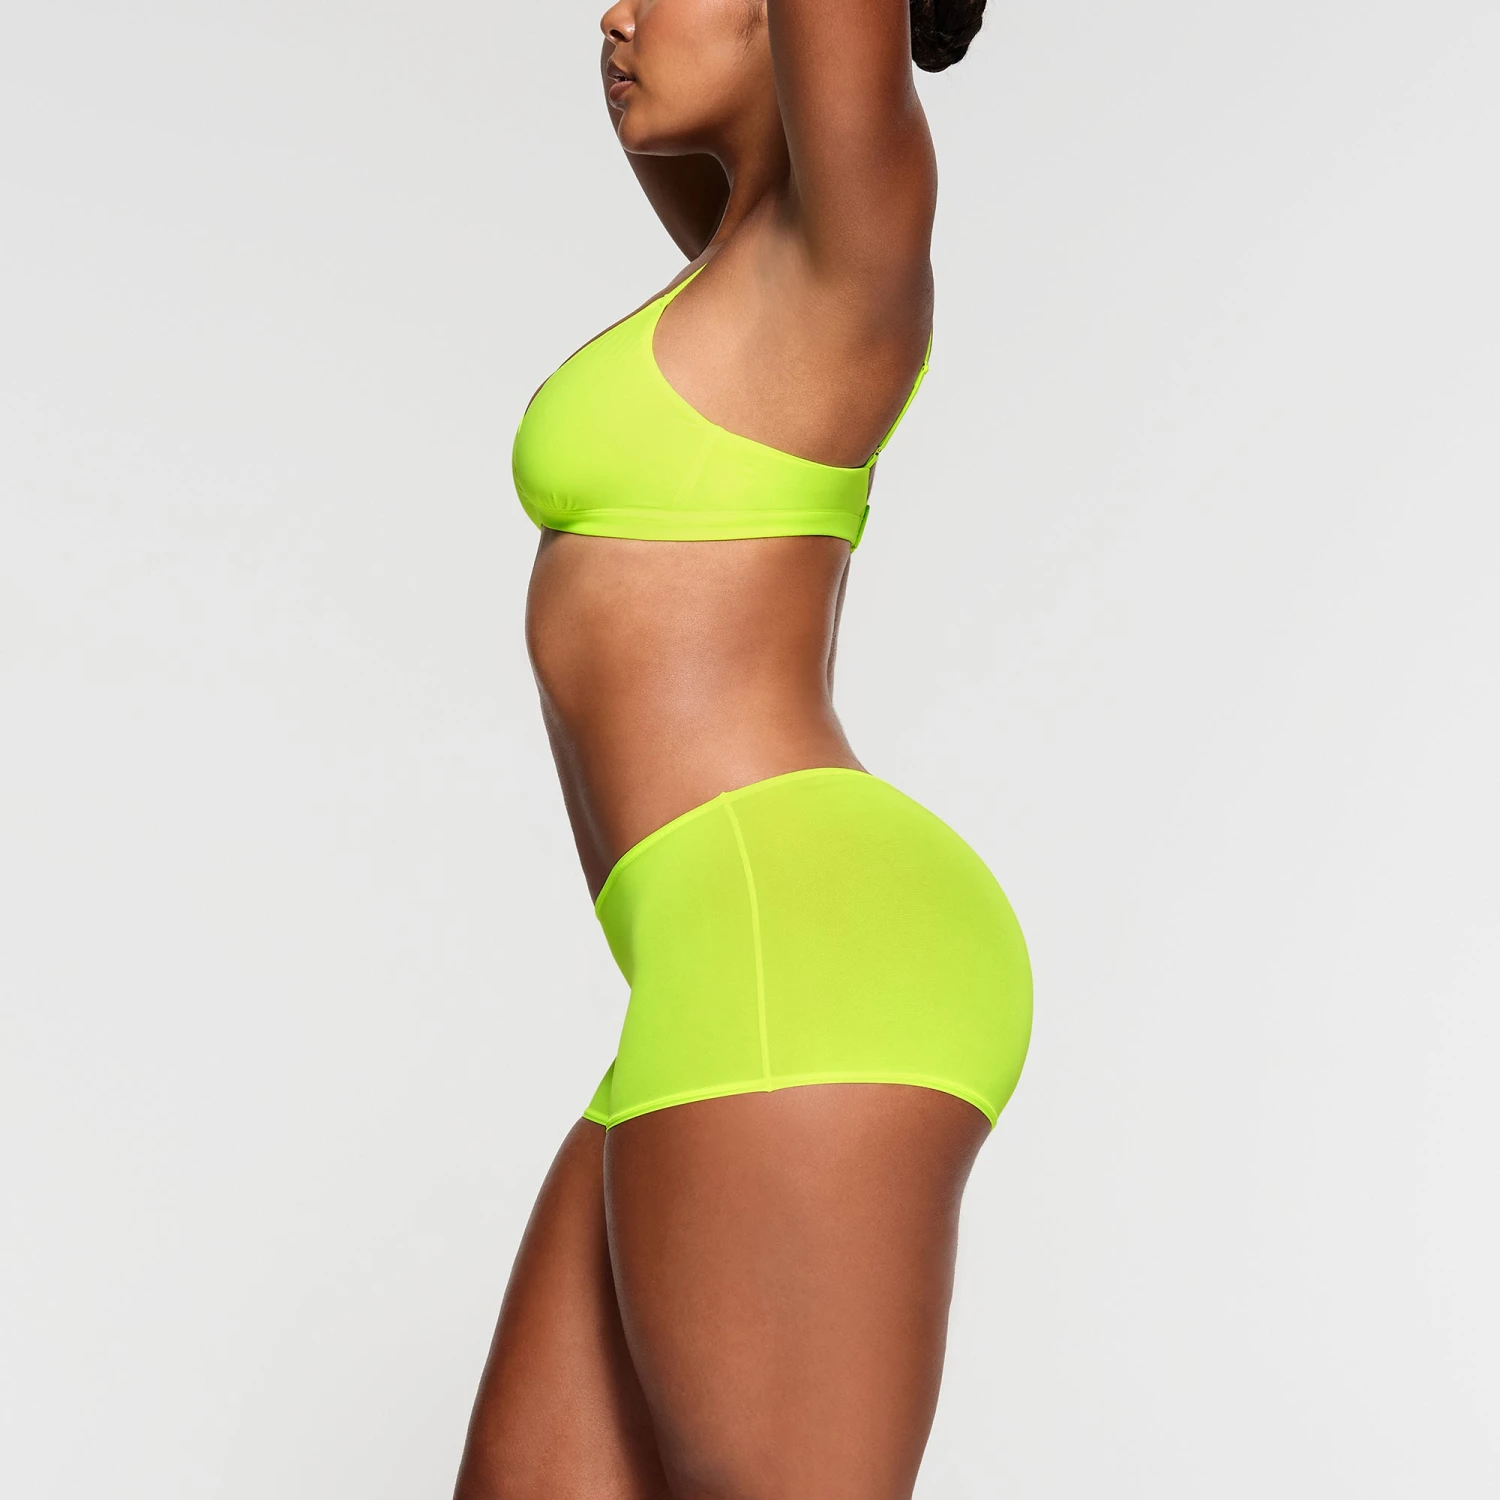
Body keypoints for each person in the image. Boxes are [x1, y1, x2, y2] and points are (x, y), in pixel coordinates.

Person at [454, 1, 1031, 1493]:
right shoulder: (735, 267)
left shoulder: (850, 255)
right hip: (714, 968)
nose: (617, 15)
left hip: (810, 949)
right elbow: (675, 115)